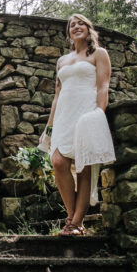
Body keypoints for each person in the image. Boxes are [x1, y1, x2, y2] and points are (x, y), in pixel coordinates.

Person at [40, 14, 117, 237]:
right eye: (72, 25)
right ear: (69, 33)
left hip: (86, 112)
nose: (76, 27)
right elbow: (57, 96)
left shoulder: (99, 54)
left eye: (80, 23)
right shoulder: (62, 61)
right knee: (58, 161)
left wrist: (98, 114)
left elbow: (103, 86)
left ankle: (75, 223)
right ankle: (73, 219)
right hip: (64, 113)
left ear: (89, 28)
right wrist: (49, 126)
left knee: (84, 167)